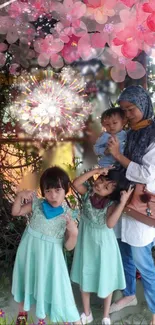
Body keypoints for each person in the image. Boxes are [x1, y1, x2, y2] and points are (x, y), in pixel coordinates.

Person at [108, 85, 155, 325]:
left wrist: (118, 156)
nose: (127, 115)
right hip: (123, 201)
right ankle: (129, 295)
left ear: (144, 104)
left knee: (143, 261)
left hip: (140, 203)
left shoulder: (153, 134)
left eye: (131, 109)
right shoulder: (131, 132)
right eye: (124, 110)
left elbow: (147, 174)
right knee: (123, 250)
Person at [11, 166, 81, 325]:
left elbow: (69, 247)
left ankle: (71, 318)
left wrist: (74, 233)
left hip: (51, 255)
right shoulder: (38, 204)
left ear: (66, 190)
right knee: (26, 278)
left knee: (57, 284)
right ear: (43, 191)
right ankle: (22, 313)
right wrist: (19, 196)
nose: (53, 195)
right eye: (48, 190)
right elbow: (16, 212)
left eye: (58, 190)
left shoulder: (69, 214)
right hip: (29, 250)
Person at [70, 167, 133, 325]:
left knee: (106, 277)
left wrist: (123, 202)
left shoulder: (111, 204)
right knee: (85, 273)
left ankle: (105, 315)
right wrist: (97, 170)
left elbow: (110, 224)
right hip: (86, 242)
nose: (100, 185)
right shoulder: (88, 193)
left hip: (104, 246)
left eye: (106, 187)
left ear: (112, 194)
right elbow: (75, 183)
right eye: (101, 180)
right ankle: (87, 312)